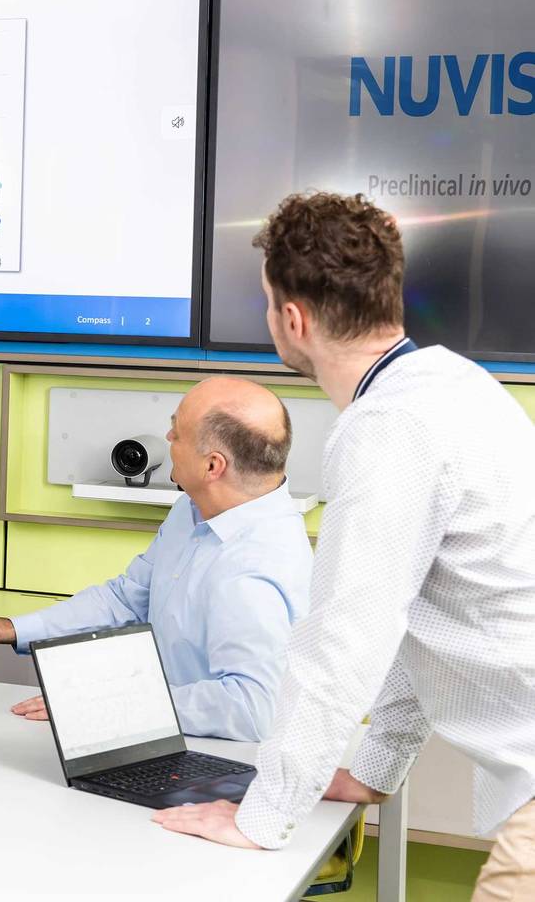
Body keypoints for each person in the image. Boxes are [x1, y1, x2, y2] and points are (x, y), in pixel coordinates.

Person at [152, 193, 535, 901]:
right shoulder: (454, 386)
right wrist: (374, 768)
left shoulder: (388, 430)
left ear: (290, 319)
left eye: (269, 302)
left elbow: (345, 638)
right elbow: (417, 609)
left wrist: (264, 816)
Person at [0, 376, 311, 741]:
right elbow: (125, 600)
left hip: (230, 762)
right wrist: (8, 629)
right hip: (166, 741)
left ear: (213, 466)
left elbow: (250, 707)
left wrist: (107, 705)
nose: (168, 436)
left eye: (178, 431)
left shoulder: (256, 563)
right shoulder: (193, 511)